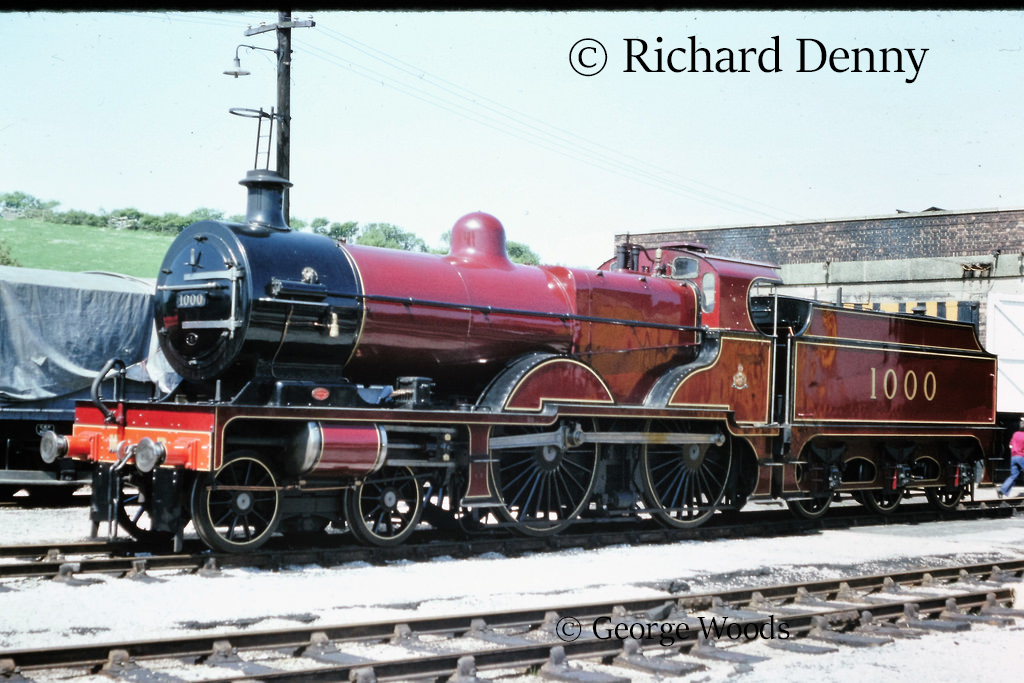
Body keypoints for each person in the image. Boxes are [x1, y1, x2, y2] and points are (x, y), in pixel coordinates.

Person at [998, 417, 1024, 498]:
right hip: (1021, 457)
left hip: (1013, 457)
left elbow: (1010, 445)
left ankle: (1002, 490)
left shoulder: (1015, 434)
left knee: (1013, 475)